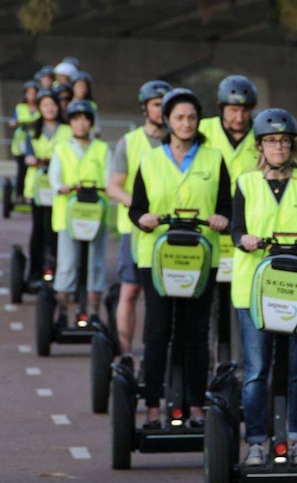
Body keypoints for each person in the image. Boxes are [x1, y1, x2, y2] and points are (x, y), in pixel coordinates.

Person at [231, 108, 297, 467]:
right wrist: (245, 239)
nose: (278, 146)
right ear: (260, 146)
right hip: (255, 293)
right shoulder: (245, 183)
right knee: (257, 370)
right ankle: (257, 440)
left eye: (284, 141)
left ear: (292, 145)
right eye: (271, 141)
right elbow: (235, 230)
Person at [129, 88, 231, 429]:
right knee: (157, 330)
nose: (186, 123)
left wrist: (222, 219)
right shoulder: (149, 159)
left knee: (196, 332)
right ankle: (154, 406)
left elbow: (227, 208)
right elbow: (136, 208)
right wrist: (142, 219)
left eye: (191, 117)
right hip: (157, 258)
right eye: (179, 117)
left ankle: (196, 404)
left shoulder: (214, 158)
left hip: (200, 258)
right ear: (167, 121)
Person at [105, 80, 171, 372]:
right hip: (135, 231)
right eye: (157, 104)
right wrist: (140, 207)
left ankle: (165, 354)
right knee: (130, 291)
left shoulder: (180, 140)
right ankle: (125, 354)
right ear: (145, 108)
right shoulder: (129, 142)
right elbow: (114, 186)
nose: (162, 110)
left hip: (173, 232)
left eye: (166, 104)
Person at [198, 74, 260, 372]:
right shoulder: (204, 130)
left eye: (245, 109)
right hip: (210, 230)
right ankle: (210, 363)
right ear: (222, 108)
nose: (239, 116)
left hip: (245, 234)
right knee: (208, 304)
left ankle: (238, 367)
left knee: (241, 305)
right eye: (233, 109)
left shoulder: (260, 135)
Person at [48, 100, 112, 326]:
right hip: (68, 214)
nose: (81, 124)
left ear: (91, 122)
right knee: (67, 263)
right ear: (71, 123)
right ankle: (62, 311)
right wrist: (61, 187)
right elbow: (54, 177)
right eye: (76, 119)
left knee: (95, 263)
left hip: (95, 214)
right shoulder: (62, 148)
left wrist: (105, 186)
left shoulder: (102, 148)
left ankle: (94, 311)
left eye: (85, 119)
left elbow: (109, 177)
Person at [22, 89, 73, 288]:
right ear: (40, 108)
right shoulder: (32, 130)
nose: (49, 109)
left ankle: (57, 270)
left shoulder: (67, 130)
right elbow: (27, 155)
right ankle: (35, 272)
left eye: (52, 104)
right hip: (38, 186)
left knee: (56, 229)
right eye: (45, 105)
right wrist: (31, 159)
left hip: (60, 186)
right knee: (38, 230)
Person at [9, 80, 41, 200]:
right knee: (21, 171)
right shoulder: (20, 107)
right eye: (29, 92)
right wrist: (14, 123)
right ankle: (19, 194)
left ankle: (33, 194)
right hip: (21, 144)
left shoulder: (40, 107)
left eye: (34, 92)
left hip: (36, 143)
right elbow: (14, 120)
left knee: (33, 170)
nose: (32, 95)